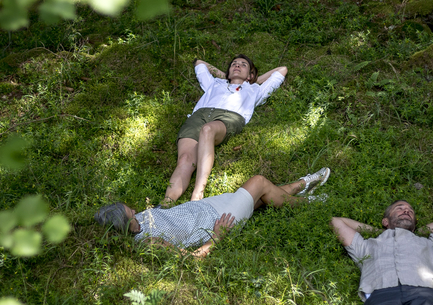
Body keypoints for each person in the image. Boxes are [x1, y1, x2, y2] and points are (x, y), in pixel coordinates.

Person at [96, 168, 330, 258]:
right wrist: (217, 237)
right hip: (219, 219)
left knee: (262, 196)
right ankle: (308, 200)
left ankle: (302, 186)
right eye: (131, 213)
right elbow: (191, 259)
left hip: (209, 205)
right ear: (123, 224)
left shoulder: (139, 221)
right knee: (258, 182)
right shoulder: (148, 241)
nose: (135, 210)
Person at [163, 55, 287, 205]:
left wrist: (252, 79)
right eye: (234, 64)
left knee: (208, 130)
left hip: (229, 117)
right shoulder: (214, 83)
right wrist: (227, 76)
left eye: (243, 65)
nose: (237, 66)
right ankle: (165, 204)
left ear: (250, 74)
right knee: (185, 159)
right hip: (199, 115)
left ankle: (197, 194)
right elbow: (199, 63)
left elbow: (282, 70)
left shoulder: (255, 90)